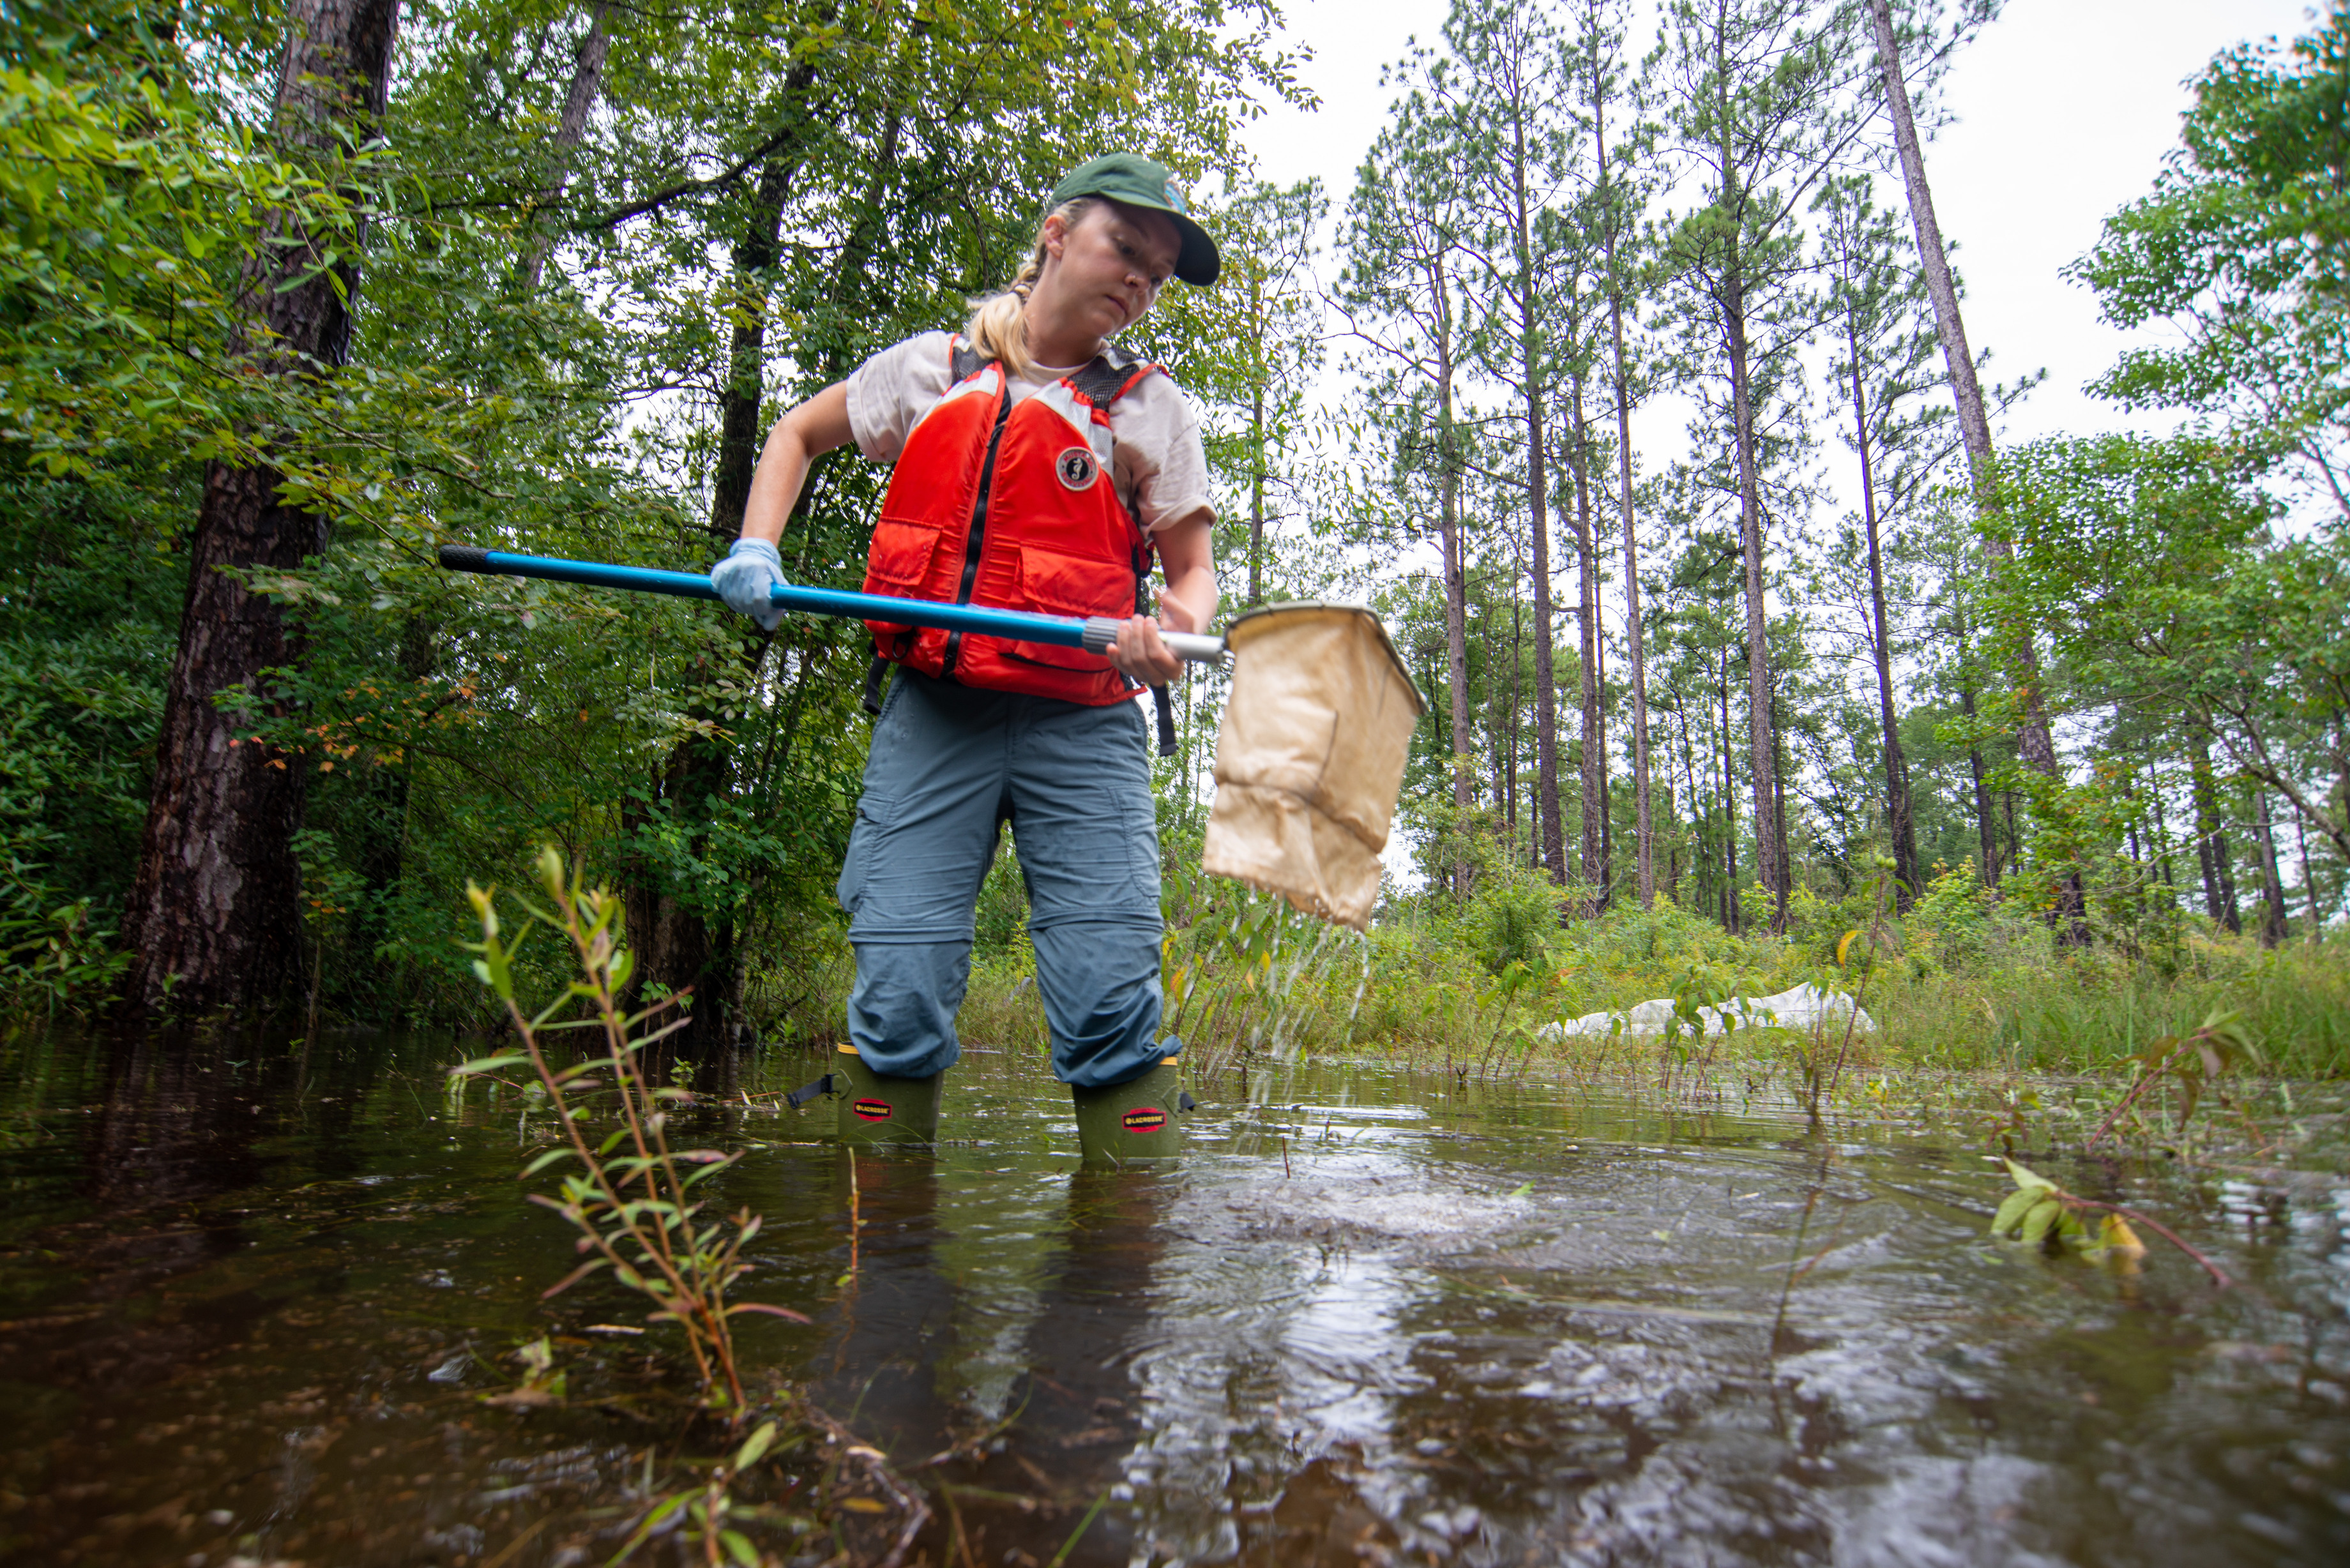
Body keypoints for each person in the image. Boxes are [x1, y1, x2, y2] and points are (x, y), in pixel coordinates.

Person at [709, 154, 1219, 1161]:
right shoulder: (932, 371)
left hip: (1084, 720)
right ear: (1058, 233)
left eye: (1157, 275)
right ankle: (891, 1283)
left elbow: (1193, 573)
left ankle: (1120, 1296)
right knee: (896, 991)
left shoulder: (1155, 410)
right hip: (935, 710)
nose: (1138, 283)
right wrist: (756, 547)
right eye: (1127, 250)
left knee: (1112, 996)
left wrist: (1169, 633)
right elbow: (796, 436)